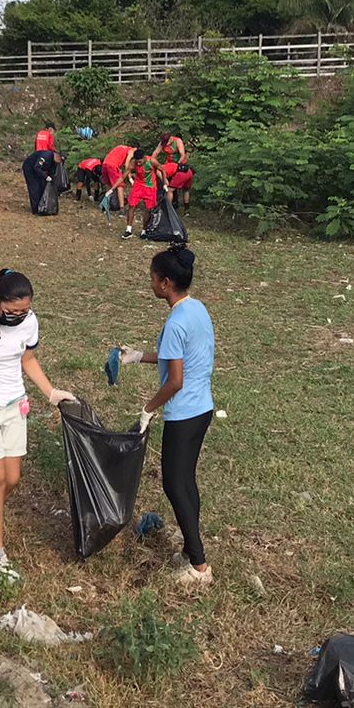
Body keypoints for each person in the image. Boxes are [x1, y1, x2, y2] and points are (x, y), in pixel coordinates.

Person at [0, 270, 75, 582]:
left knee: (12, 478)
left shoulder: (29, 322)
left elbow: (28, 360)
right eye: (12, 311)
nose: (18, 316)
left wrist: (51, 392)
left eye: (24, 311)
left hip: (13, 405)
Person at [114, 245, 215, 588]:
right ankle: (190, 550)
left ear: (166, 283)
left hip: (183, 414)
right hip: (203, 409)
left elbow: (175, 380)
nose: (150, 283)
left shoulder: (175, 322)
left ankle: (199, 566)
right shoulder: (196, 309)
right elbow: (179, 358)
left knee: (174, 483)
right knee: (186, 480)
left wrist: (148, 409)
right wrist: (138, 356)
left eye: (153, 278)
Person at [121, 149, 163, 240]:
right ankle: (128, 230)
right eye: (137, 161)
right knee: (131, 205)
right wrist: (112, 189)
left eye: (140, 161)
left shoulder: (152, 161)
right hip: (138, 185)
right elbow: (124, 175)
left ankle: (144, 230)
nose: (138, 163)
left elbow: (162, 169)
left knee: (148, 209)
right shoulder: (133, 163)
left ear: (144, 158)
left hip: (150, 186)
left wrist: (165, 182)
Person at [21, 146, 59, 215]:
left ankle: (43, 206)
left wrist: (51, 180)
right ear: (56, 155)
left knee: (42, 186)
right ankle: (35, 209)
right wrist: (46, 177)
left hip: (40, 170)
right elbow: (37, 167)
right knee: (34, 187)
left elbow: (52, 171)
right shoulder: (45, 156)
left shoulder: (55, 161)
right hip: (30, 168)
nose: (59, 161)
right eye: (59, 159)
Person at [101, 143, 136, 211]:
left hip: (105, 164)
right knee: (120, 185)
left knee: (109, 185)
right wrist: (130, 178)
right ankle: (122, 208)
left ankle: (106, 205)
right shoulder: (131, 151)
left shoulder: (121, 147)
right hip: (113, 165)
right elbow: (127, 164)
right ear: (135, 148)